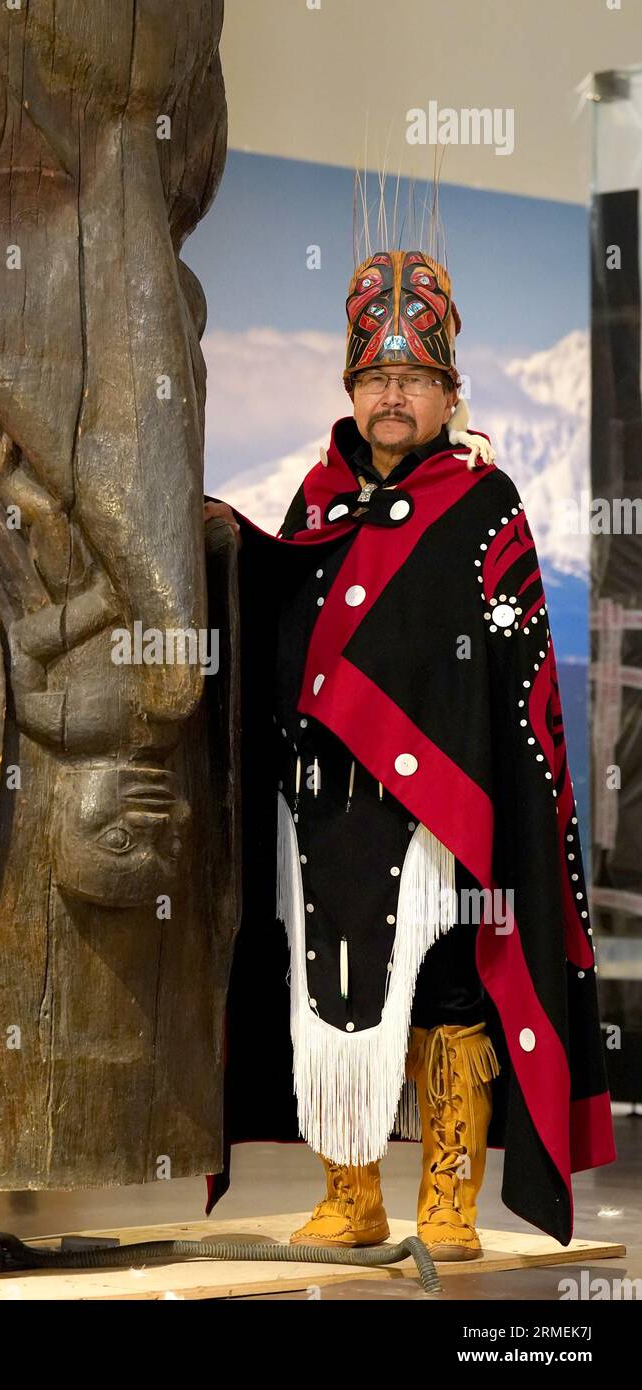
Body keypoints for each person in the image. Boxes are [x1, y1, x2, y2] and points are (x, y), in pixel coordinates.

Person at [202, 248, 615, 1259]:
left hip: (439, 815)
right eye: (377, 378)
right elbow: (287, 611)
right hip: (323, 809)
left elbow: (515, 679)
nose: (393, 396)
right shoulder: (313, 501)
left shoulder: (483, 505)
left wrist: (498, 805)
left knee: (445, 999)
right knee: (329, 1000)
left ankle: (445, 1200)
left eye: (414, 381)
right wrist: (221, 545)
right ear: (351, 387)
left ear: (445, 394)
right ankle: (350, 1196)